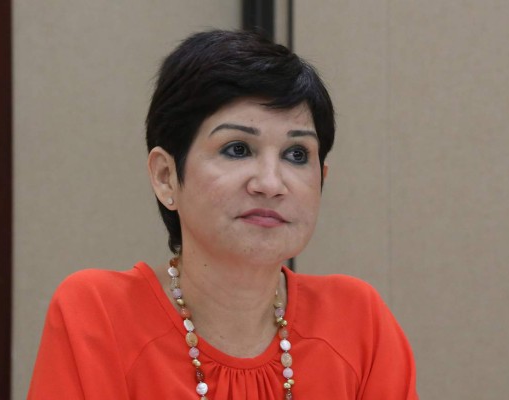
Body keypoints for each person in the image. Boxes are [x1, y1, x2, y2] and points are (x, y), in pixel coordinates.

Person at [28, 29, 418, 399]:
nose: (271, 183)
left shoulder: (357, 321)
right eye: (237, 149)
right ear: (166, 177)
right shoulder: (98, 316)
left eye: (297, 154)